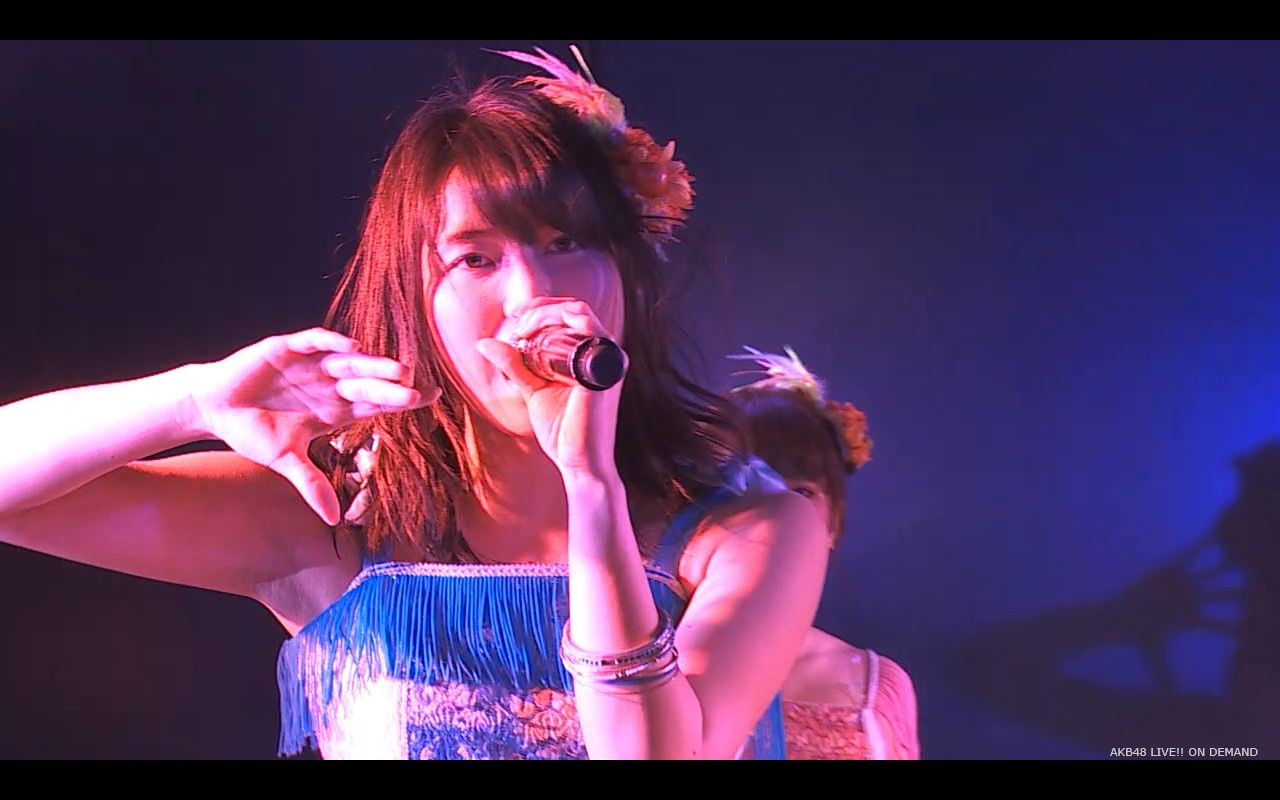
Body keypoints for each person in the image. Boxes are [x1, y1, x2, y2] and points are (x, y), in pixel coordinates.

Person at [0, 45, 828, 760]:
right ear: (413, 304)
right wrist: (192, 400)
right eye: (475, 259)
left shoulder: (748, 532)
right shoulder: (337, 521)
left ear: (626, 274)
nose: (531, 296)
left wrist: (591, 486)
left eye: (565, 243)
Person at [730, 345, 920, 759]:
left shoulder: (875, 687)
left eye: (801, 493)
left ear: (833, 519)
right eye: (747, 489)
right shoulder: (648, 662)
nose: (779, 517)